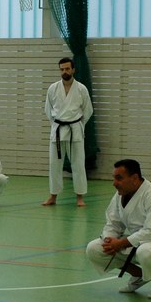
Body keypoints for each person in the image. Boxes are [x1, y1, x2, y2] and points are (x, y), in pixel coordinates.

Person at [85, 159, 151, 299]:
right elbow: (113, 223)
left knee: (145, 252)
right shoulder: (121, 194)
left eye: (119, 178)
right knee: (94, 249)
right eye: (114, 178)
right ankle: (139, 275)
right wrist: (109, 241)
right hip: (136, 241)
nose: (114, 183)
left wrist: (121, 243)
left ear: (134, 178)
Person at [42, 57, 93, 207]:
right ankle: (53, 196)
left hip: (75, 130)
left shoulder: (81, 89)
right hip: (58, 131)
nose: (64, 71)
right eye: (62, 69)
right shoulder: (53, 88)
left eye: (67, 69)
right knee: (54, 165)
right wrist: (56, 125)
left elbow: (88, 110)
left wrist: (78, 125)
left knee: (78, 165)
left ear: (73, 70)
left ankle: (80, 197)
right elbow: (48, 110)